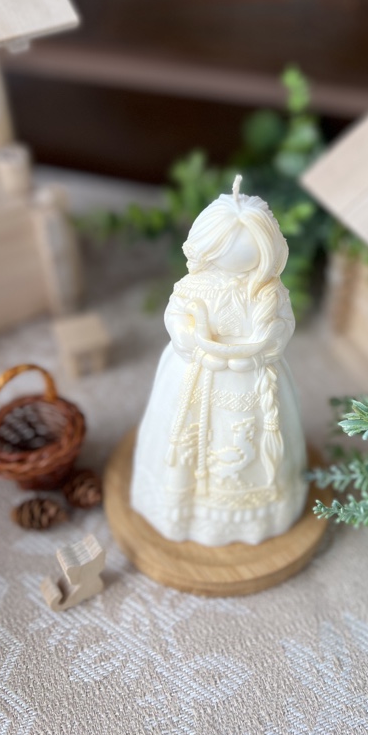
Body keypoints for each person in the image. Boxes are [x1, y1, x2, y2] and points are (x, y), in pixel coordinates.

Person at [130, 176, 307, 545]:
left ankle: (253, 511)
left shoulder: (268, 291)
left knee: (251, 437)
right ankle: (180, 506)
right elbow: (176, 314)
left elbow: (284, 323)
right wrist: (186, 337)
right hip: (196, 371)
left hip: (252, 375)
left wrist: (268, 343)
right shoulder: (195, 285)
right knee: (186, 438)